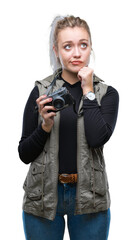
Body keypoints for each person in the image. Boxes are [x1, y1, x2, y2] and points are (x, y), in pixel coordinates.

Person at [18, 15, 119, 240]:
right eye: (67, 46)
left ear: (90, 47)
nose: (76, 53)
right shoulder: (41, 92)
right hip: (43, 194)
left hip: (90, 196)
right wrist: (44, 126)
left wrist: (88, 90)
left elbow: (96, 138)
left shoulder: (106, 94)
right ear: (56, 50)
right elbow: (24, 153)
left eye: (83, 45)